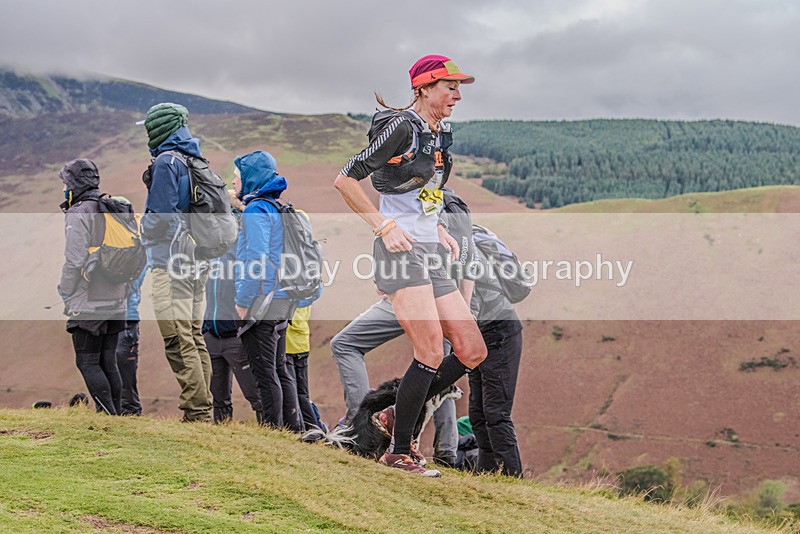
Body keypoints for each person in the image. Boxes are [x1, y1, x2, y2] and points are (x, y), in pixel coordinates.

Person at [333, 55, 487, 476]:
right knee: (431, 350)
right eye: (449, 87)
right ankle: (400, 450)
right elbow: (345, 178)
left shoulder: (439, 133)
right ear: (424, 88)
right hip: (399, 252)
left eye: (458, 88)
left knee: (472, 350)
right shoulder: (402, 126)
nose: (457, 95)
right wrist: (383, 226)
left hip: (429, 250)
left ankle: (391, 414)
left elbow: (427, 190)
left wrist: (437, 226)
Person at [141, 102, 213, 423]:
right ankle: (203, 410)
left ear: (160, 127)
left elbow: (160, 219)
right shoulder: (193, 159)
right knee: (193, 336)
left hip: (171, 265)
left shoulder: (166, 162)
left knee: (177, 338)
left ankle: (197, 414)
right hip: (195, 262)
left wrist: (143, 228)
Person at [233, 150, 301, 430]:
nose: (234, 183)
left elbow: (258, 258)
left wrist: (243, 299)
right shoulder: (275, 206)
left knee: (264, 373)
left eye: (237, 177)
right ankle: (292, 429)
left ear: (250, 178)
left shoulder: (256, 209)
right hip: (282, 298)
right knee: (280, 368)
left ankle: (274, 432)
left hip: (263, 300)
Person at [58, 159, 127, 415]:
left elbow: (74, 260)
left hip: (89, 299)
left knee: (87, 361)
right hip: (116, 296)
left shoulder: (79, 213)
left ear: (74, 184)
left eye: (66, 183)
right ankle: (115, 415)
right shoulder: (111, 207)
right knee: (107, 360)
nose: (64, 189)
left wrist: (64, 290)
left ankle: (107, 416)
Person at [468, 228, 525, 477]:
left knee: (496, 412)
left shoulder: (460, 249)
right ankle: (488, 474)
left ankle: (513, 478)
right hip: (479, 334)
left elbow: (473, 301)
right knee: (477, 412)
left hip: (499, 332)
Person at [202, 191, 263, 424]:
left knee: (256, 396)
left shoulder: (243, 240)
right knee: (218, 399)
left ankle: (272, 439)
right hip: (211, 332)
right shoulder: (212, 244)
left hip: (236, 335)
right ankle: (222, 444)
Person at [116, 261, 147, 416]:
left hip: (126, 316)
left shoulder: (137, 245)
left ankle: (130, 411)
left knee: (124, 366)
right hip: (107, 315)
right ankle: (112, 409)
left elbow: (134, 281)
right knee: (108, 364)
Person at [285, 304, 319, 431]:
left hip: (287, 345)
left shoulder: (289, 290)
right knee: (302, 394)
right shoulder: (307, 288)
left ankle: (298, 430)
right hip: (302, 343)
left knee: (291, 393)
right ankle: (314, 429)